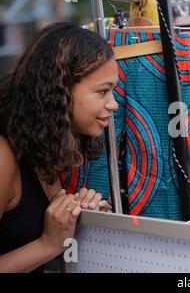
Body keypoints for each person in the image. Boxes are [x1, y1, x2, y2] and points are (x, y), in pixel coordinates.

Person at [0, 22, 119, 272]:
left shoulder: (38, 146)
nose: (113, 104)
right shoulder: (3, 157)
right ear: (61, 89)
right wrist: (48, 244)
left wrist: (74, 215)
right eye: (102, 92)